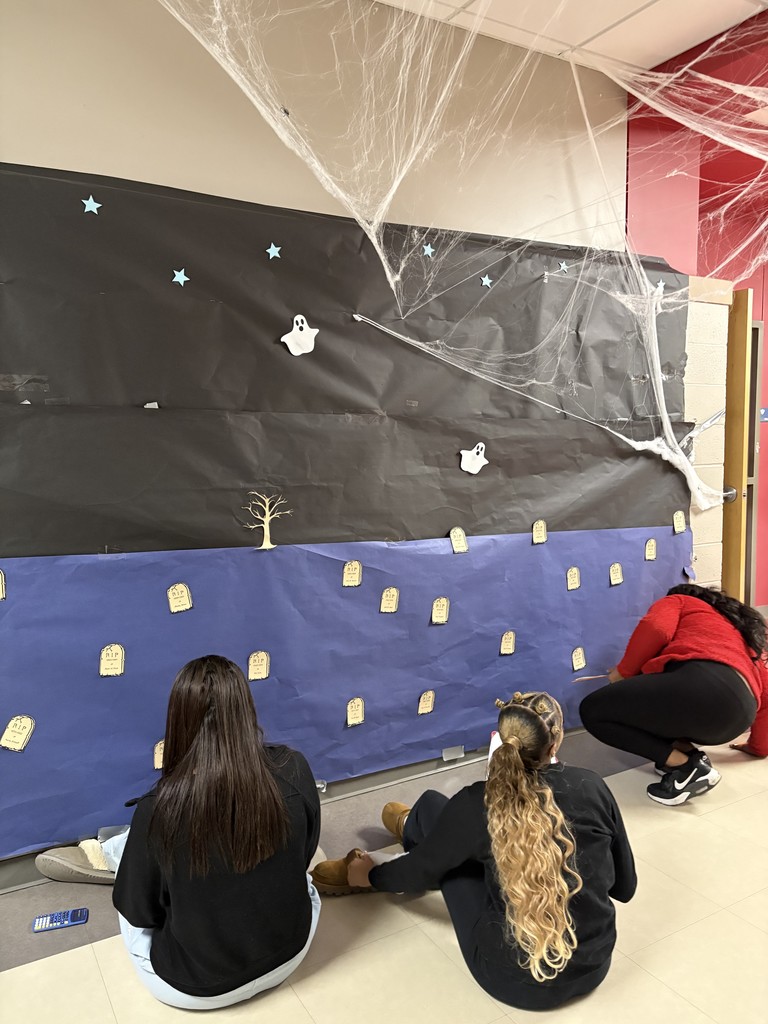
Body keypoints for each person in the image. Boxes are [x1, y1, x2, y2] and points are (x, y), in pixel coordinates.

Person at [310, 691, 636, 1012]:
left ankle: (409, 832)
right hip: (594, 965)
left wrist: (370, 875)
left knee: (445, 838)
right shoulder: (592, 785)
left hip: (516, 980)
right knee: (444, 814)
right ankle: (415, 823)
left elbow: (420, 871)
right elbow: (625, 888)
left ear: (502, 740)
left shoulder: (478, 802)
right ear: (555, 743)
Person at [39, 655, 321, 1010]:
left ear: (178, 718)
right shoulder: (294, 767)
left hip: (198, 989)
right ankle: (124, 850)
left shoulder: (160, 808)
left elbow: (141, 914)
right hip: (291, 954)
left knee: (134, 898)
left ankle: (115, 852)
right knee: (303, 877)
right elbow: (306, 853)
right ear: (246, 708)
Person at [579, 584, 768, 806]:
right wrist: (758, 747)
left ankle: (685, 767)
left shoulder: (680, 600)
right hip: (737, 718)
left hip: (703, 685)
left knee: (592, 710)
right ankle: (692, 758)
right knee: (655, 703)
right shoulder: (738, 632)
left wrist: (623, 672)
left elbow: (656, 628)